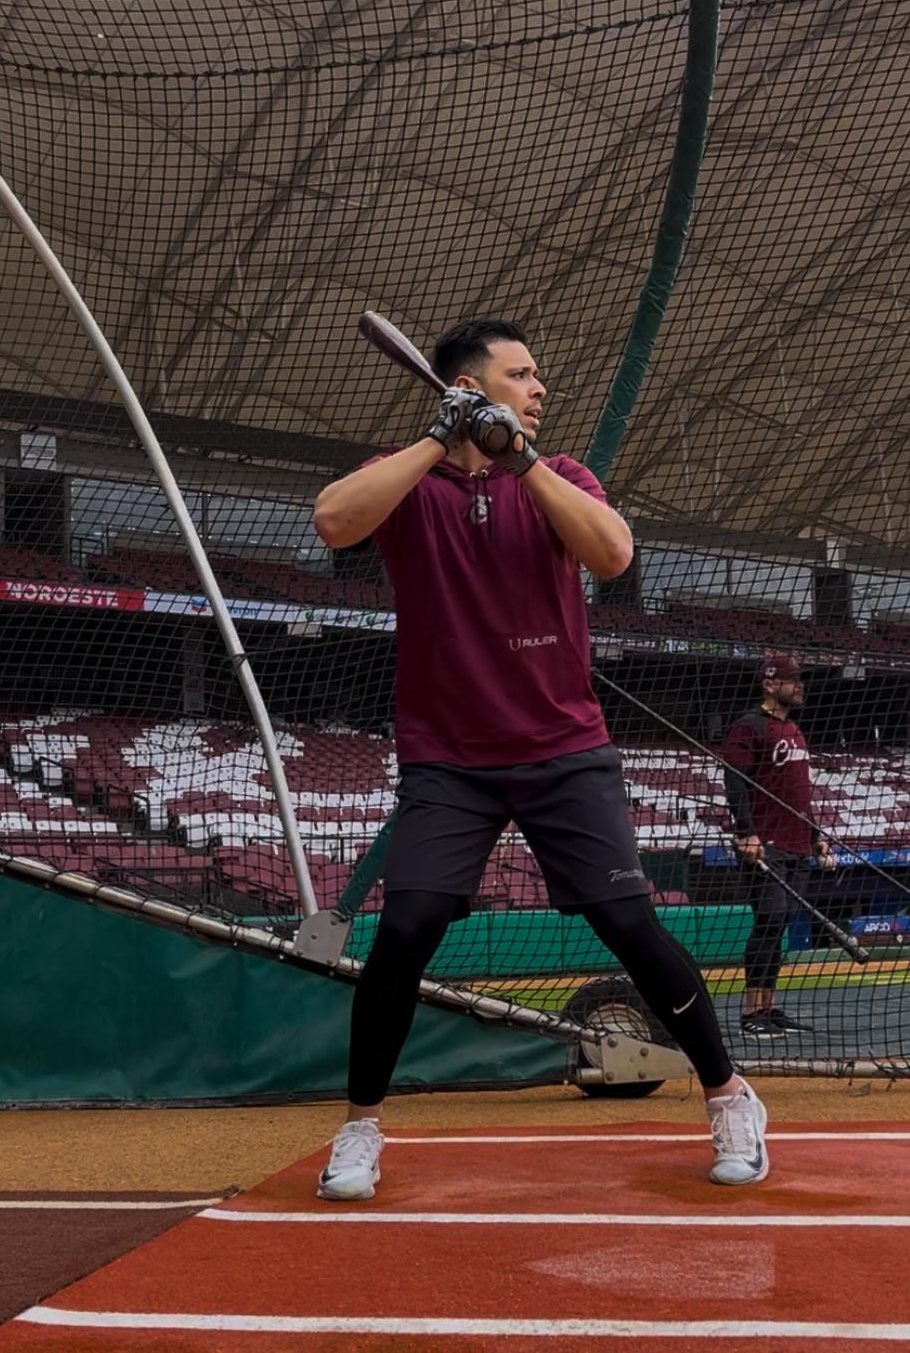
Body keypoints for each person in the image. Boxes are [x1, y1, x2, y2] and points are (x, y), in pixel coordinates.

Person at [312, 317, 767, 1199]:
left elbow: (614, 552)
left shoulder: (560, 476)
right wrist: (439, 437)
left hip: (565, 748)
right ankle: (360, 1125)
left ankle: (730, 1093)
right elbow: (334, 522)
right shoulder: (403, 480)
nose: (542, 388)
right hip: (449, 758)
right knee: (405, 931)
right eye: (523, 375)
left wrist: (517, 459)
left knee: (628, 925)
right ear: (473, 385)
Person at [722, 655, 834, 1039]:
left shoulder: (794, 730)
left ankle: (769, 1008)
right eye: (792, 680)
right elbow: (735, 782)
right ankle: (751, 1011)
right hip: (766, 845)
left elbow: (799, 796)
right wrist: (746, 832)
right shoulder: (748, 727)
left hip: (797, 844)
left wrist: (817, 836)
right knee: (768, 921)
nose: (799, 685)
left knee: (781, 924)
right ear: (769, 684)